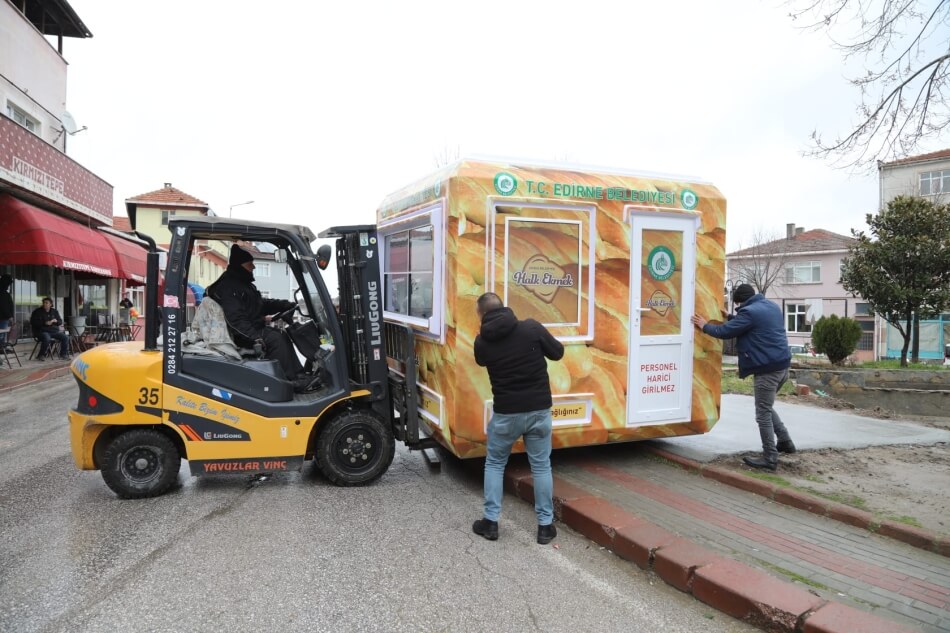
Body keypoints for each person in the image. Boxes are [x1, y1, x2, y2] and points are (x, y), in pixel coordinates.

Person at [471, 292, 564, 544]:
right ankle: (545, 526)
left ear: (482, 314)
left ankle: (490, 522)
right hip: (538, 410)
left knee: (495, 464)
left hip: (506, 414)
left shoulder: (482, 343)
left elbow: (480, 361)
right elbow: (558, 353)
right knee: (541, 466)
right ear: (504, 307)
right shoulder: (531, 328)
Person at [690, 283, 795, 471]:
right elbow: (751, 324)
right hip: (783, 367)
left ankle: (770, 458)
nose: (738, 308)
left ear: (741, 301)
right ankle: (785, 442)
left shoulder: (749, 313)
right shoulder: (771, 306)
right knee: (767, 407)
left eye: (738, 305)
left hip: (767, 370)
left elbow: (724, 332)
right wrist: (730, 317)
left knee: (762, 413)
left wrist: (704, 325)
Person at [206, 244, 306, 389]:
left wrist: (284, 305)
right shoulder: (230, 288)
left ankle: (298, 375)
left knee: (281, 334)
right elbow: (235, 319)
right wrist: (255, 337)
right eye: (250, 264)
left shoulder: (244, 285)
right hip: (241, 335)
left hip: (252, 328)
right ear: (241, 265)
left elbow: (259, 305)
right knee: (275, 339)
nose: (253, 267)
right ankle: (289, 381)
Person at [0, 274, 14, 353]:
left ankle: (2, 349)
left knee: (2, 336)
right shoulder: (3, 293)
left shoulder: (4, 292)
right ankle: (1, 350)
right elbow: (4, 306)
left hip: (4, 317)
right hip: (3, 318)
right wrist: (10, 316)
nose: (9, 286)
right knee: (1, 336)